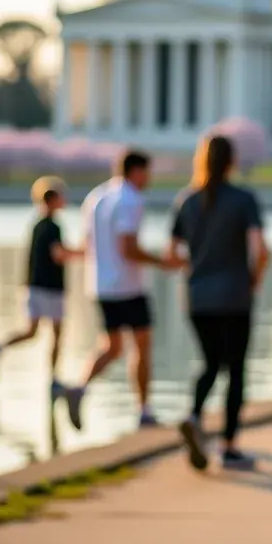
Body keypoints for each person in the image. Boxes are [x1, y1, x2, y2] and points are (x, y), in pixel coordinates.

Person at [169, 134, 269, 471]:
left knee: (211, 363)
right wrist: (253, 278)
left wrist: (198, 269)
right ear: (232, 162)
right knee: (235, 369)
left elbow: (172, 254)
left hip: (198, 297)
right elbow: (260, 247)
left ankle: (194, 415)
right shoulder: (243, 200)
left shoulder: (186, 200)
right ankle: (228, 447)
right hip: (235, 296)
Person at [64, 150, 172, 432]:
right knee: (142, 344)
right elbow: (128, 249)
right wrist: (164, 262)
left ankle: (80, 387)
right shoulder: (131, 200)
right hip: (128, 285)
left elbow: (87, 244)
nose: (149, 179)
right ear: (136, 171)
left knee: (112, 347)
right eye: (147, 172)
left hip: (100, 284)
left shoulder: (97, 197)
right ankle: (144, 410)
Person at [0, 176, 81, 395]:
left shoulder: (37, 224)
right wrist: (85, 253)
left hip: (34, 286)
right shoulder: (53, 227)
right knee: (56, 333)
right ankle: (54, 379)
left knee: (32, 331)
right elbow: (58, 255)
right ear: (53, 199)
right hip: (49, 288)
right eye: (61, 196)